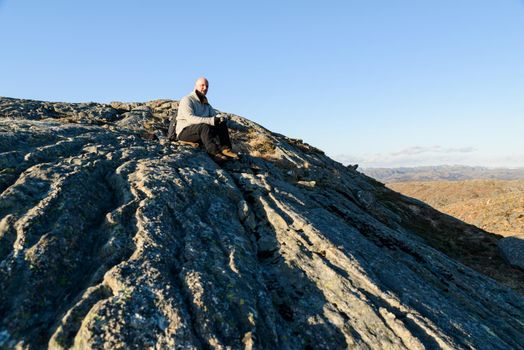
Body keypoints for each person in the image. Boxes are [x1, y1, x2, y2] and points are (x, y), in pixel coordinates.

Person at [168, 77, 238, 161]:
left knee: (221, 124)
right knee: (204, 127)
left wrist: (221, 118)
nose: (205, 88)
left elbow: (214, 115)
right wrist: (211, 120)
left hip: (200, 131)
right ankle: (214, 153)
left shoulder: (205, 103)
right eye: (202, 85)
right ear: (196, 86)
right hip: (184, 132)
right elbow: (191, 119)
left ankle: (225, 149)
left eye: (207, 86)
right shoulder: (187, 99)